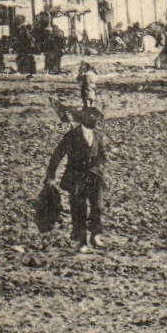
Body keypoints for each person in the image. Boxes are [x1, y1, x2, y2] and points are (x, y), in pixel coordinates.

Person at [46, 106, 108, 252]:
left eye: (97, 118)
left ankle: (95, 235)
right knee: (78, 209)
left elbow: (102, 156)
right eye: (93, 117)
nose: (96, 120)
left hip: (94, 176)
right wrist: (51, 174)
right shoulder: (72, 135)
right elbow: (57, 155)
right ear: (85, 119)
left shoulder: (98, 136)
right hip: (76, 177)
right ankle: (81, 241)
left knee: (97, 207)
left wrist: (100, 169)